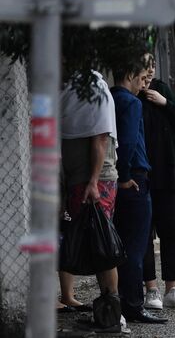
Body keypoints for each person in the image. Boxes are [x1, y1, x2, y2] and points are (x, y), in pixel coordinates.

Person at [58, 71, 120, 314]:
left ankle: (112, 309)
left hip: (94, 179)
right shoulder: (69, 85)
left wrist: (93, 181)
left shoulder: (93, 86)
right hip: (78, 177)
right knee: (92, 240)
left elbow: (101, 137)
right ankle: (106, 307)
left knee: (102, 241)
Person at [111, 57, 167, 324]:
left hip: (117, 179)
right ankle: (133, 305)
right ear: (131, 73)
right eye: (143, 76)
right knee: (136, 247)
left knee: (120, 243)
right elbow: (129, 141)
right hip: (133, 179)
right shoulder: (131, 103)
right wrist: (124, 176)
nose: (145, 82)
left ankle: (120, 301)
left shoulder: (109, 97)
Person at [138, 53, 175, 311]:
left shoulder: (161, 90)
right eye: (145, 67)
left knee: (171, 231)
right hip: (143, 174)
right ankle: (151, 290)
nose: (149, 72)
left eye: (152, 66)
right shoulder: (130, 96)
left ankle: (172, 289)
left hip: (167, 171)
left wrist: (165, 103)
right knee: (145, 232)